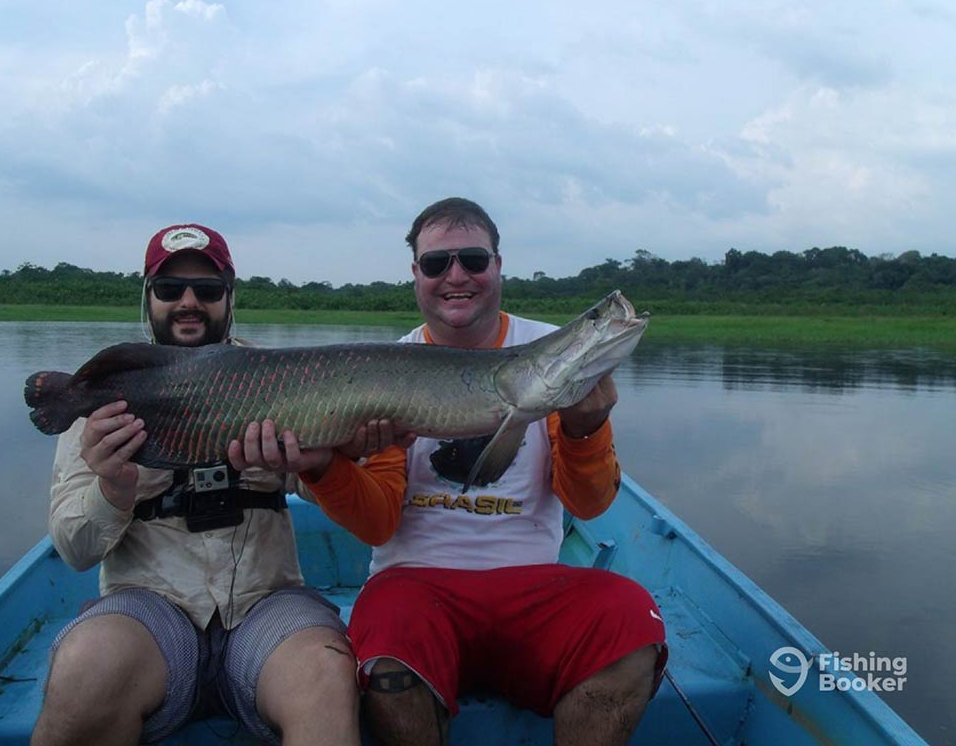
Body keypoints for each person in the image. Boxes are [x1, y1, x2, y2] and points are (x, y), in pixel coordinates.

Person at [292, 198, 668, 745]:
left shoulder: (545, 357)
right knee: (390, 641)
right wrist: (326, 466)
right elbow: (377, 525)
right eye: (436, 263)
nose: (456, 275)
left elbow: (587, 505)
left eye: (473, 259)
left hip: (535, 588)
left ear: (497, 265)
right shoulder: (383, 370)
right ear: (416, 275)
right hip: (416, 586)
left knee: (631, 619)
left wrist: (586, 432)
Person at [32, 224, 360, 746]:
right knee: (83, 671)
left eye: (207, 290)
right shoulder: (102, 391)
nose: (188, 302)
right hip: (146, 609)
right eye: (170, 289)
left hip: (267, 604)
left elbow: (336, 498)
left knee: (326, 678)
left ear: (230, 297)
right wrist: (112, 491)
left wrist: (324, 462)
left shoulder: (281, 378)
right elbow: (73, 551)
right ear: (149, 297)